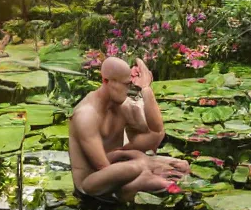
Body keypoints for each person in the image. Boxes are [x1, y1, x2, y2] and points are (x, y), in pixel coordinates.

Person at [69, 57, 189, 202]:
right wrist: (145, 163)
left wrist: (146, 88)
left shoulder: (122, 106)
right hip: (92, 182)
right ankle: (139, 182)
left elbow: (156, 131)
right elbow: (102, 166)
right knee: (138, 168)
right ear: (106, 81)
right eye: (125, 85)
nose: (128, 90)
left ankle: (137, 182)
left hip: (120, 169)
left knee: (182, 166)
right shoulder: (86, 115)